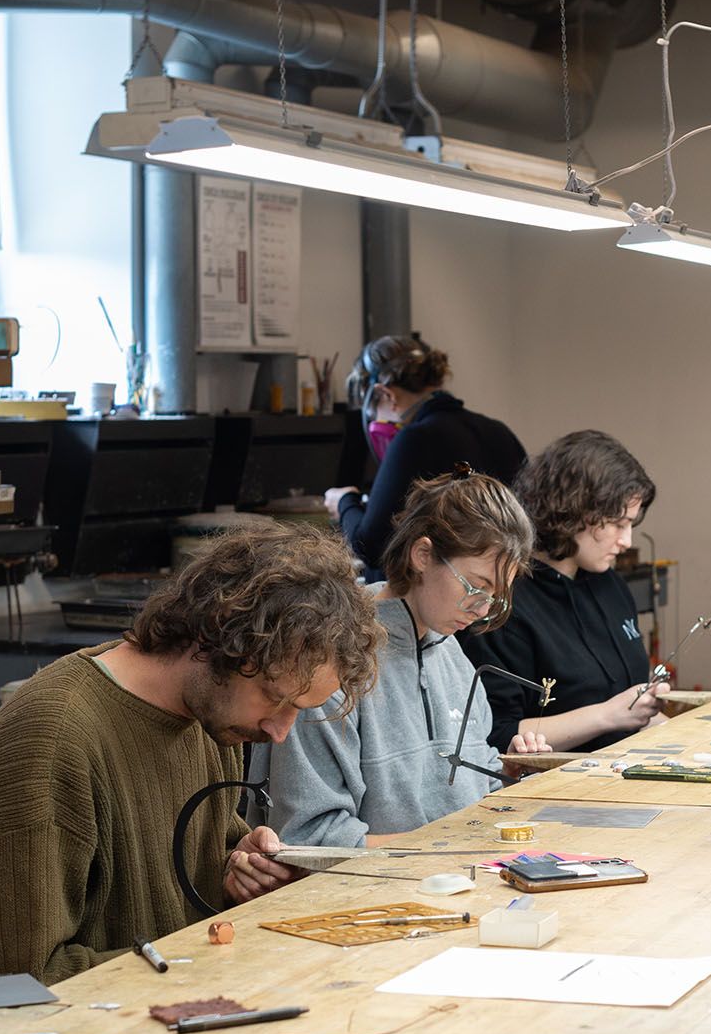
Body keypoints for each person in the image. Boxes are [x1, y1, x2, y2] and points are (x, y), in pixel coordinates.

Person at [0, 523, 382, 985]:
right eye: (275, 698)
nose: (278, 732)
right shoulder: (47, 742)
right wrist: (206, 959)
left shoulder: (210, 720)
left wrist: (238, 872)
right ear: (214, 642)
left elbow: (173, 887)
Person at [269, 469, 548, 846]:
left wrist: (504, 774)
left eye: (496, 597)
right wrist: (444, 848)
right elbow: (310, 839)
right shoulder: (332, 664)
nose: (483, 609)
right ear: (423, 555)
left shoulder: (454, 657)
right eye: (476, 587)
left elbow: (469, 800)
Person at [460, 430, 668, 753]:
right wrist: (609, 716)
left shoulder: (610, 585)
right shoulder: (505, 603)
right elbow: (497, 734)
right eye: (617, 524)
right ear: (574, 512)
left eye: (631, 525)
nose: (627, 541)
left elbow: (633, 711)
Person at [322, 335, 526, 580]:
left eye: (373, 410)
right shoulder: (497, 431)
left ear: (387, 395)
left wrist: (345, 502)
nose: (376, 419)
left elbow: (371, 545)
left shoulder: (415, 439)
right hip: (497, 589)